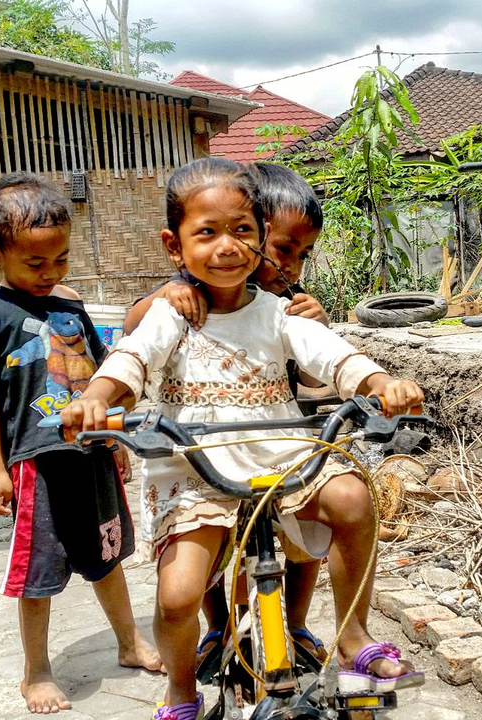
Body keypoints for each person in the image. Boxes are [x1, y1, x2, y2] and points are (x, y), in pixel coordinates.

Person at [60, 157, 425, 720]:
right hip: (196, 465)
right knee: (179, 593)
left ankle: (352, 635)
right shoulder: (172, 313)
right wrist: (96, 398)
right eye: (206, 233)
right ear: (174, 245)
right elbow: (131, 360)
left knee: (353, 496)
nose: (226, 246)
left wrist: (379, 382)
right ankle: (181, 690)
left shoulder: (280, 313)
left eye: (242, 231)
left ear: (259, 239)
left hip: (283, 452)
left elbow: (328, 354)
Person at [0, 172, 162, 715]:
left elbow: (106, 374)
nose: (50, 273)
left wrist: (116, 434)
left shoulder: (72, 310)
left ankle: (129, 642)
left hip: (93, 457)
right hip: (35, 465)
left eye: (61, 260)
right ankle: (37, 672)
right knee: (37, 573)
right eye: (35, 263)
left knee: (107, 555)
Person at [122, 162, 331, 669]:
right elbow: (134, 332)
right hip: (212, 445)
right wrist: (163, 295)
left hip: (282, 435)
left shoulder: (284, 306)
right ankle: (218, 627)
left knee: (303, 543)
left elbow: (316, 379)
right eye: (283, 249)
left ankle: (295, 624)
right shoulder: (187, 293)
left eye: (303, 254)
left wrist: (318, 327)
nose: (293, 266)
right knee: (211, 546)